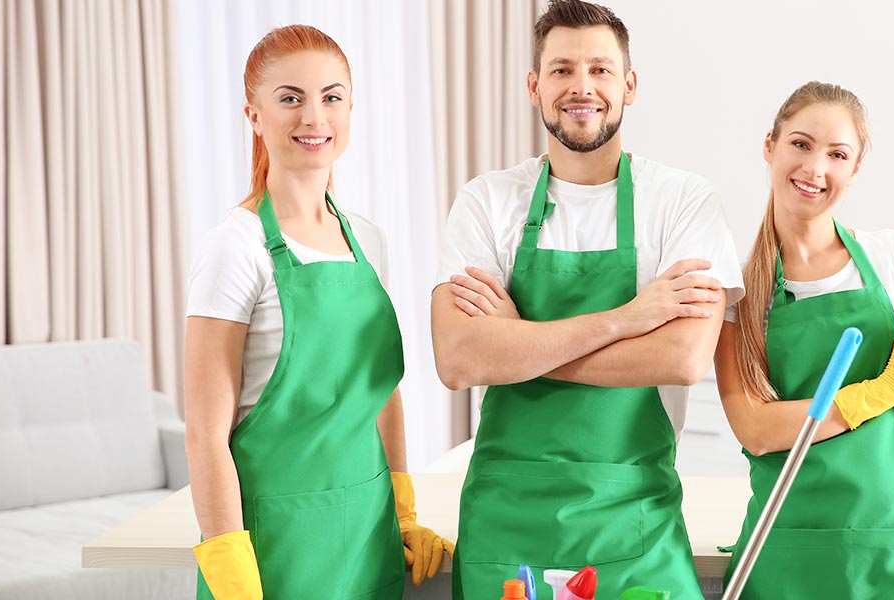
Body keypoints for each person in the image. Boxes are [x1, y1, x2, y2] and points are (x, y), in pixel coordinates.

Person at [432, 1, 744, 597]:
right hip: (507, 520)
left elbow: (681, 359)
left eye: (601, 69)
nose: (582, 87)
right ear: (534, 86)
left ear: (629, 84)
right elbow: (458, 360)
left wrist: (519, 341)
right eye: (561, 70)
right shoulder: (487, 201)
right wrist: (627, 320)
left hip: (633, 518)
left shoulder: (683, 201)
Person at [184, 25, 452, 600]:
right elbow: (205, 436)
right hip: (275, 553)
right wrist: (231, 573)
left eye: (331, 97)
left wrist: (402, 511)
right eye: (290, 98)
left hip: (368, 542)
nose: (314, 118)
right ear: (253, 115)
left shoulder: (368, 241)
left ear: (351, 108)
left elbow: (381, 393)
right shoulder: (235, 248)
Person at [715, 81, 894, 599]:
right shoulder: (736, 287)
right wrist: (874, 394)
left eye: (837, 154)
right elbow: (754, 428)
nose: (815, 169)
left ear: (854, 169)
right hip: (788, 541)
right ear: (769, 145)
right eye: (800, 144)